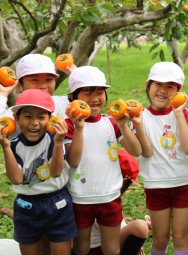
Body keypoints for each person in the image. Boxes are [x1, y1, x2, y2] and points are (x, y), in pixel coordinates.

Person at [64, 66, 142, 255]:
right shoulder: (69, 126)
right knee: (81, 247)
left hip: (110, 196)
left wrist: (123, 125)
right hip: (81, 197)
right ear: (73, 97)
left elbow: (136, 150)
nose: (94, 98)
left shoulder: (110, 122)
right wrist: (79, 128)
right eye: (87, 93)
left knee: (112, 248)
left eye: (100, 92)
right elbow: (73, 161)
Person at [0, 89, 84, 255]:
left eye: (41, 117)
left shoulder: (54, 139)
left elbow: (56, 172)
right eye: (28, 116)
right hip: (26, 204)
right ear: (16, 119)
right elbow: (16, 179)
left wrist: (59, 143)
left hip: (57, 201)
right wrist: (5, 147)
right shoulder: (14, 144)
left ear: (50, 120)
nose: (35, 122)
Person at [135, 62, 188, 255]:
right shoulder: (141, 116)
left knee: (181, 238)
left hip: (185, 182)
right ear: (148, 85)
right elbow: (144, 152)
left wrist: (178, 114)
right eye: (158, 85)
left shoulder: (184, 114)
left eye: (170, 86)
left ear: (179, 91)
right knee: (161, 239)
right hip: (156, 184)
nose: (163, 91)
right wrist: (136, 125)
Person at [89, 149, 150, 255]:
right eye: (129, 183)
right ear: (124, 181)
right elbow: (116, 232)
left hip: (96, 245)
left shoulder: (97, 190)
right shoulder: (104, 201)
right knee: (140, 227)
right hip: (98, 249)